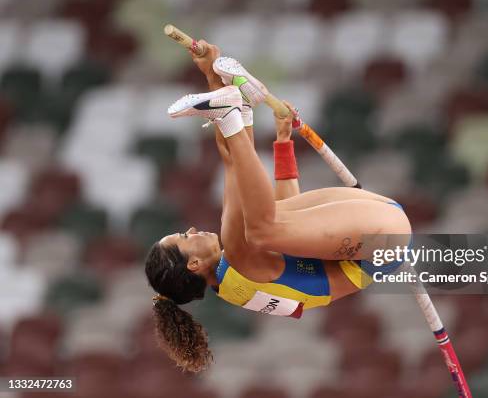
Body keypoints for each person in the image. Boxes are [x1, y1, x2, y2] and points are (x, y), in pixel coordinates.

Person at [144, 40, 412, 373]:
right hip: (380, 242)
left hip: (373, 226)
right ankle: (235, 111)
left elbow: (238, 168)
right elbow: (258, 205)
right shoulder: (237, 278)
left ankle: (237, 106)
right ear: (195, 263)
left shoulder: (240, 262)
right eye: (185, 236)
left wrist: (213, 76)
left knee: (261, 217)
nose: (194, 228)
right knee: (257, 229)